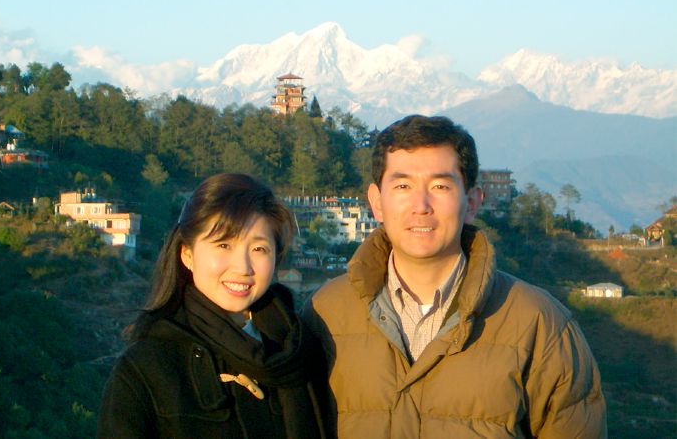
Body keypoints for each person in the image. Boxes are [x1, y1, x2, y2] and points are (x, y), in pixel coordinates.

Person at [302, 115, 606, 438]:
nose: (421, 206)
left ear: (472, 202)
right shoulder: (326, 314)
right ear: (376, 202)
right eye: (403, 185)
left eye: (440, 186)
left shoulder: (539, 324)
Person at [97, 173, 329, 439]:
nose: (242, 268)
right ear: (187, 255)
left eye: (259, 249)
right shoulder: (146, 369)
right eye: (223, 244)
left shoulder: (301, 351)